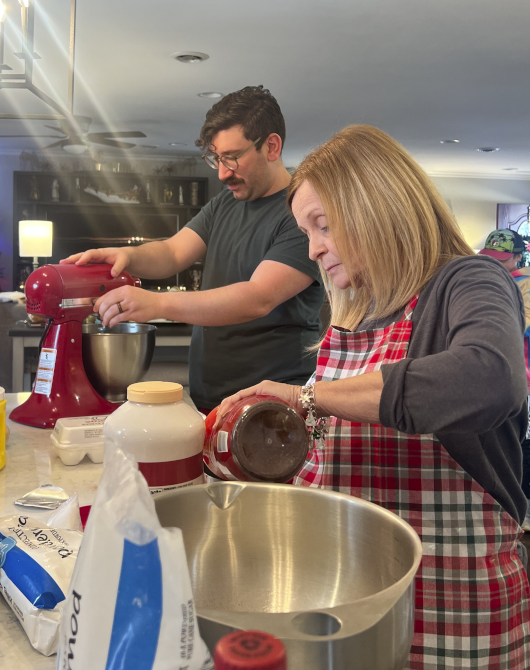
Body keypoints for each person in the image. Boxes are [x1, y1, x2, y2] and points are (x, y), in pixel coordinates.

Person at [221, 125, 530, 669]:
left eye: (322, 225)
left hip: (454, 600)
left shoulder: (468, 281)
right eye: (305, 232)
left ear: (377, 204)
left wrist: (309, 396)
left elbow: (489, 379)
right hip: (351, 596)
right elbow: (335, 452)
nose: (313, 248)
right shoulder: (351, 315)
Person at [62, 86, 324, 410]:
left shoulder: (300, 212)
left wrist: (157, 303)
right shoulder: (225, 204)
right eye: (217, 159)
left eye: (232, 157)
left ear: (271, 146)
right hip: (210, 397)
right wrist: (128, 256)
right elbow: (172, 253)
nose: (223, 172)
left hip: (273, 403)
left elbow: (257, 297)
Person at [479, 228, 530, 529]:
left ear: (518, 257)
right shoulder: (494, 280)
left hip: (521, 379)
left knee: (521, 441)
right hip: (502, 377)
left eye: (502, 258)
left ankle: (524, 509)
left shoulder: (523, 284)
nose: (495, 262)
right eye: (491, 256)